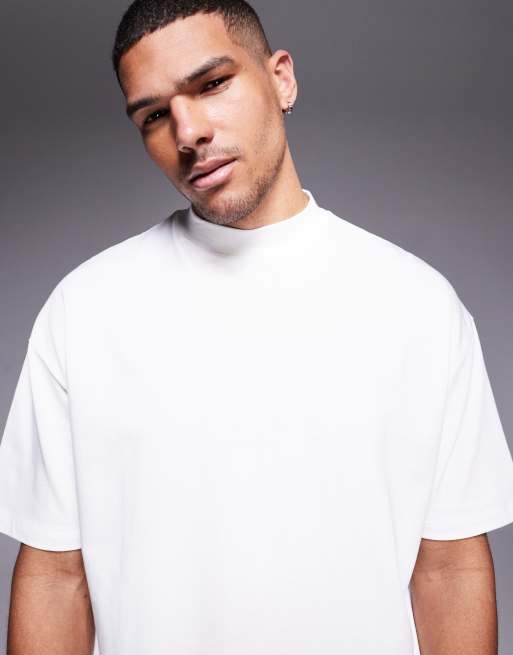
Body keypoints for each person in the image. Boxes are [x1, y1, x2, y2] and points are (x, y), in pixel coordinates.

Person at [1, 1, 512, 654]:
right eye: (153, 115)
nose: (187, 132)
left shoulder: (420, 306)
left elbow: (449, 568)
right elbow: (55, 576)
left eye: (212, 83)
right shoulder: (83, 312)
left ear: (281, 79)